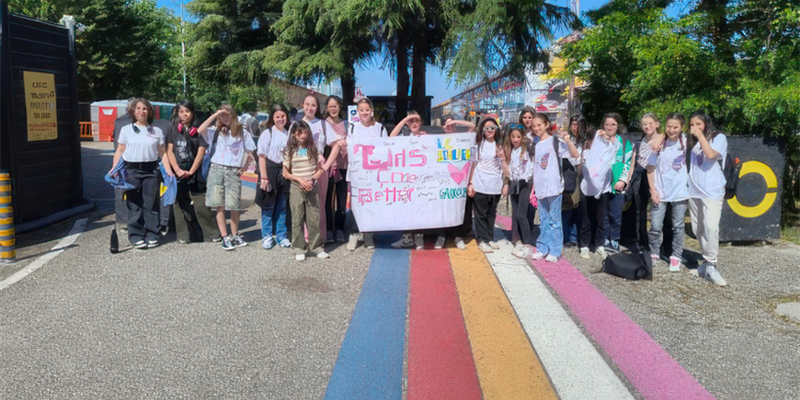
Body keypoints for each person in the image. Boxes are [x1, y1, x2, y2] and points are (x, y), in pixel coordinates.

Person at [108, 98, 174, 249]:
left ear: (149, 111)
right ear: (133, 111)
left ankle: (152, 233)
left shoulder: (156, 131)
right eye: (138, 108)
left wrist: (169, 172)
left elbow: (162, 153)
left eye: (144, 108)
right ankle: (136, 234)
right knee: (134, 203)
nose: (141, 111)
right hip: (131, 170)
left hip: (150, 170)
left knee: (151, 203)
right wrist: (114, 169)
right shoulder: (126, 130)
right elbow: (120, 150)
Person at [198, 105, 256, 251]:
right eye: (221, 115)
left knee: (234, 205)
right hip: (217, 168)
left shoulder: (242, 132)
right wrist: (215, 114)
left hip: (233, 170)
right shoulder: (214, 131)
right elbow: (199, 130)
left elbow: (251, 151)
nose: (224, 117)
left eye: (227, 114)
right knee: (219, 205)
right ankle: (225, 237)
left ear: (233, 115)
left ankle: (235, 235)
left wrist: (245, 165)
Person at [165, 100, 220, 244]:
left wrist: (191, 171)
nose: (184, 115)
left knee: (201, 204)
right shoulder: (172, 129)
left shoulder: (197, 131)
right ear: (178, 113)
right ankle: (183, 235)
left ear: (192, 113)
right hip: (177, 171)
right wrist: (177, 170)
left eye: (187, 112)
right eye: (181, 112)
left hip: (194, 172)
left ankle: (211, 233)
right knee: (179, 204)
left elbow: (201, 153)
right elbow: (169, 151)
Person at [581, 113, 634, 258]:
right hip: (601, 185)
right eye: (607, 124)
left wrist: (623, 180)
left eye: (613, 125)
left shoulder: (624, 143)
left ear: (618, 126)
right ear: (602, 126)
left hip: (616, 183)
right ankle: (600, 241)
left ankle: (614, 239)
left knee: (615, 214)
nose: (610, 127)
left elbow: (627, 163)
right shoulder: (598, 141)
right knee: (601, 216)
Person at [529, 113, 580, 261]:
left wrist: (568, 141)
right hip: (540, 187)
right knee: (543, 219)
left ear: (546, 125)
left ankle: (555, 250)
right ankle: (542, 247)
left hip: (554, 186)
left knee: (555, 220)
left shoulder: (555, 142)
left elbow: (575, 155)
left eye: (539, 125)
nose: (537, 128)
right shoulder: (535, 144)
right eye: (534, 126)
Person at [687, 112, 728, 286]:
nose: (694, 128)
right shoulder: (692, 143)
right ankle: (705, 264)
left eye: (698, 124)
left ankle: (712, 264)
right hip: (694, 191)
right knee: (699, 229)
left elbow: (711, 155)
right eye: (691, 125)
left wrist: (700, 136)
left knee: (711, 228)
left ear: (706, 125)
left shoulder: (719, 138)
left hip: (712, 191)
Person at [647, 113, 689, 272]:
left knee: (678, 226)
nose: (672, 130)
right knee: (656, 226)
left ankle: (676, 256)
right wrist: (653, 190)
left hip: (680, 192)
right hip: (661, 191)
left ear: (681, 128)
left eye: (676, 127)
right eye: (669, 126)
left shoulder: (686, 143)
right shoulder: (659, 144)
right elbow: (650, 168)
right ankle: (654, 253)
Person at [283, 120, 329, 261]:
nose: (302, 135)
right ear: (294, 134)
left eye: (305, 132)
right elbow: (286, 173)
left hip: (312, 186)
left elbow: (320, 168)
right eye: (299, 132)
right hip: (296, 187)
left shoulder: (314, 149)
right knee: (297, 218)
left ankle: (316, 248)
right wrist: (300, 180)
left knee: (314, 218)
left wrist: (313, 179)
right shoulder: (289, 150)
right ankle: (299, 248)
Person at [345, 98, 387, 251]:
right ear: (357, 112)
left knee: (371, 203)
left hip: (373, 174)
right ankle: (354, 235)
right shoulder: (351, 128)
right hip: (356, 174)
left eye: (367, 110)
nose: (364, 113)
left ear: (372, 111)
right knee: (355, 205)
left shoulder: (380, 128)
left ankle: (369, 235)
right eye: (361, 110)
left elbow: (386, 149)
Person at [467, 117, 508, 253]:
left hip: (495, 185)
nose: (489, 130)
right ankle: (482, 239)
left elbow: (505, 168)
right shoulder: (477, 146)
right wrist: (470, 183)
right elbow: (472, 165)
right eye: (486, 128)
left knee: (491, 213)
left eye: (492, 128)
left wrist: (502, 157)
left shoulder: (501, 145)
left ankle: (489, 237)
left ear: (496, 130)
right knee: (480, 214)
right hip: (480, 183)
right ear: (482, 130)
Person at [389, 110, 429, 250]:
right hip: (406, 180)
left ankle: (419, 239)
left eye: (416, 120)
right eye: (410, 121)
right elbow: (391, 137)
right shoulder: (404, 135)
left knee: (419, 209)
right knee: (406, 208)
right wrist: (407, 118)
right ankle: (407, 237)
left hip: (422, 180)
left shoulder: (426, 136)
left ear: (421, 122)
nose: (414, 123)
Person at [257, 104, 292, 250]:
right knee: (268, 206)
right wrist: (264, 178)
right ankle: (267, 235)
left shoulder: (289, 133)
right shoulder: (267, 134)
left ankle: (281, 235)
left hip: (283, 172)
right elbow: (262, 156)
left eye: (283, 116)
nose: (280, 119)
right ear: (273, 118)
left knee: (282, 206)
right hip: (269, 172)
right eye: (277, 116)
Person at [299, 95, 332, 244]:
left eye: (313, 105)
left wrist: (326, 164)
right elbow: (290, 148)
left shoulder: (323, 124)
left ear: (317, 108)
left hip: (319, 165)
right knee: (304, 202)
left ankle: (319, 237)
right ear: (302, 105)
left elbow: (337, 144)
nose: (309, 108)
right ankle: (305, 238)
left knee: (319, 202)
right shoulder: (296, 125)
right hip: (301, 165)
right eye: (307, 104)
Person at [561, 115, 593, 258]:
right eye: (573, 124)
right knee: (568, 205)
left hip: (584, 176)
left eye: (577, 124)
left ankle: (575, 235)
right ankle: (567, 236)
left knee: (580, 207)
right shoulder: (566, 139)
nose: (575, 127)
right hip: (570, 174)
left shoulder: (587, 141)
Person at [503, 123, 534, 258]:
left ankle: (529, 241)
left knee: (522, 214)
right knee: (515, 213)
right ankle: (517, 238)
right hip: (513, 183)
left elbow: (529, 168)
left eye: (518, 137)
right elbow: (507, 170)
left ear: (522, 138)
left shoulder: (525, 151)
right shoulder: (509, 151)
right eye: (513, 136)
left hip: (524, 184)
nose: (515, 139)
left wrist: (526, 179)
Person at [323, 96, 349, 243]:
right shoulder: (323, 125)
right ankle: (328, 229)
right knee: (327, 201)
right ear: (326, 107)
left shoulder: (347, 124)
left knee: (341, 200)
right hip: (328, 167)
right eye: (330, 106)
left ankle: (339, 229)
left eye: (336, 106)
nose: (333, 109)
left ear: (340, 107)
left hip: (344, 167)